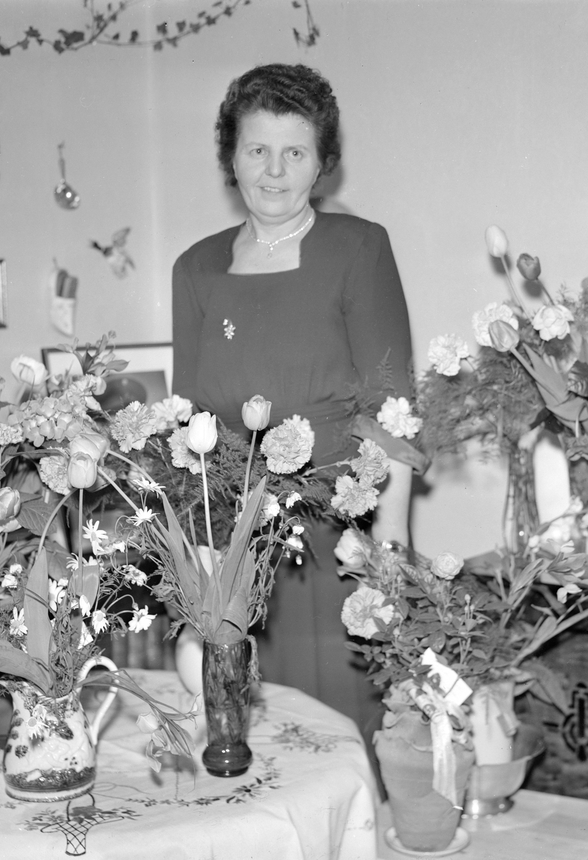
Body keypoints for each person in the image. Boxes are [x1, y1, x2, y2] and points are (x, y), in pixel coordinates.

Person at [171, 63, 422, 735]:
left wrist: (390, 550)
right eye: (257, 149)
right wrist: (198, 559)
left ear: (322, 162)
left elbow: (392, 408)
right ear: (231, 157)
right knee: (239, 735)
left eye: (295, 152)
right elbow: (187, 421)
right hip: (229, 550)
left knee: (340, 730)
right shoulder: (196, 269)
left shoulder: (359, 248)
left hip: (337, 540)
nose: (275, 171)